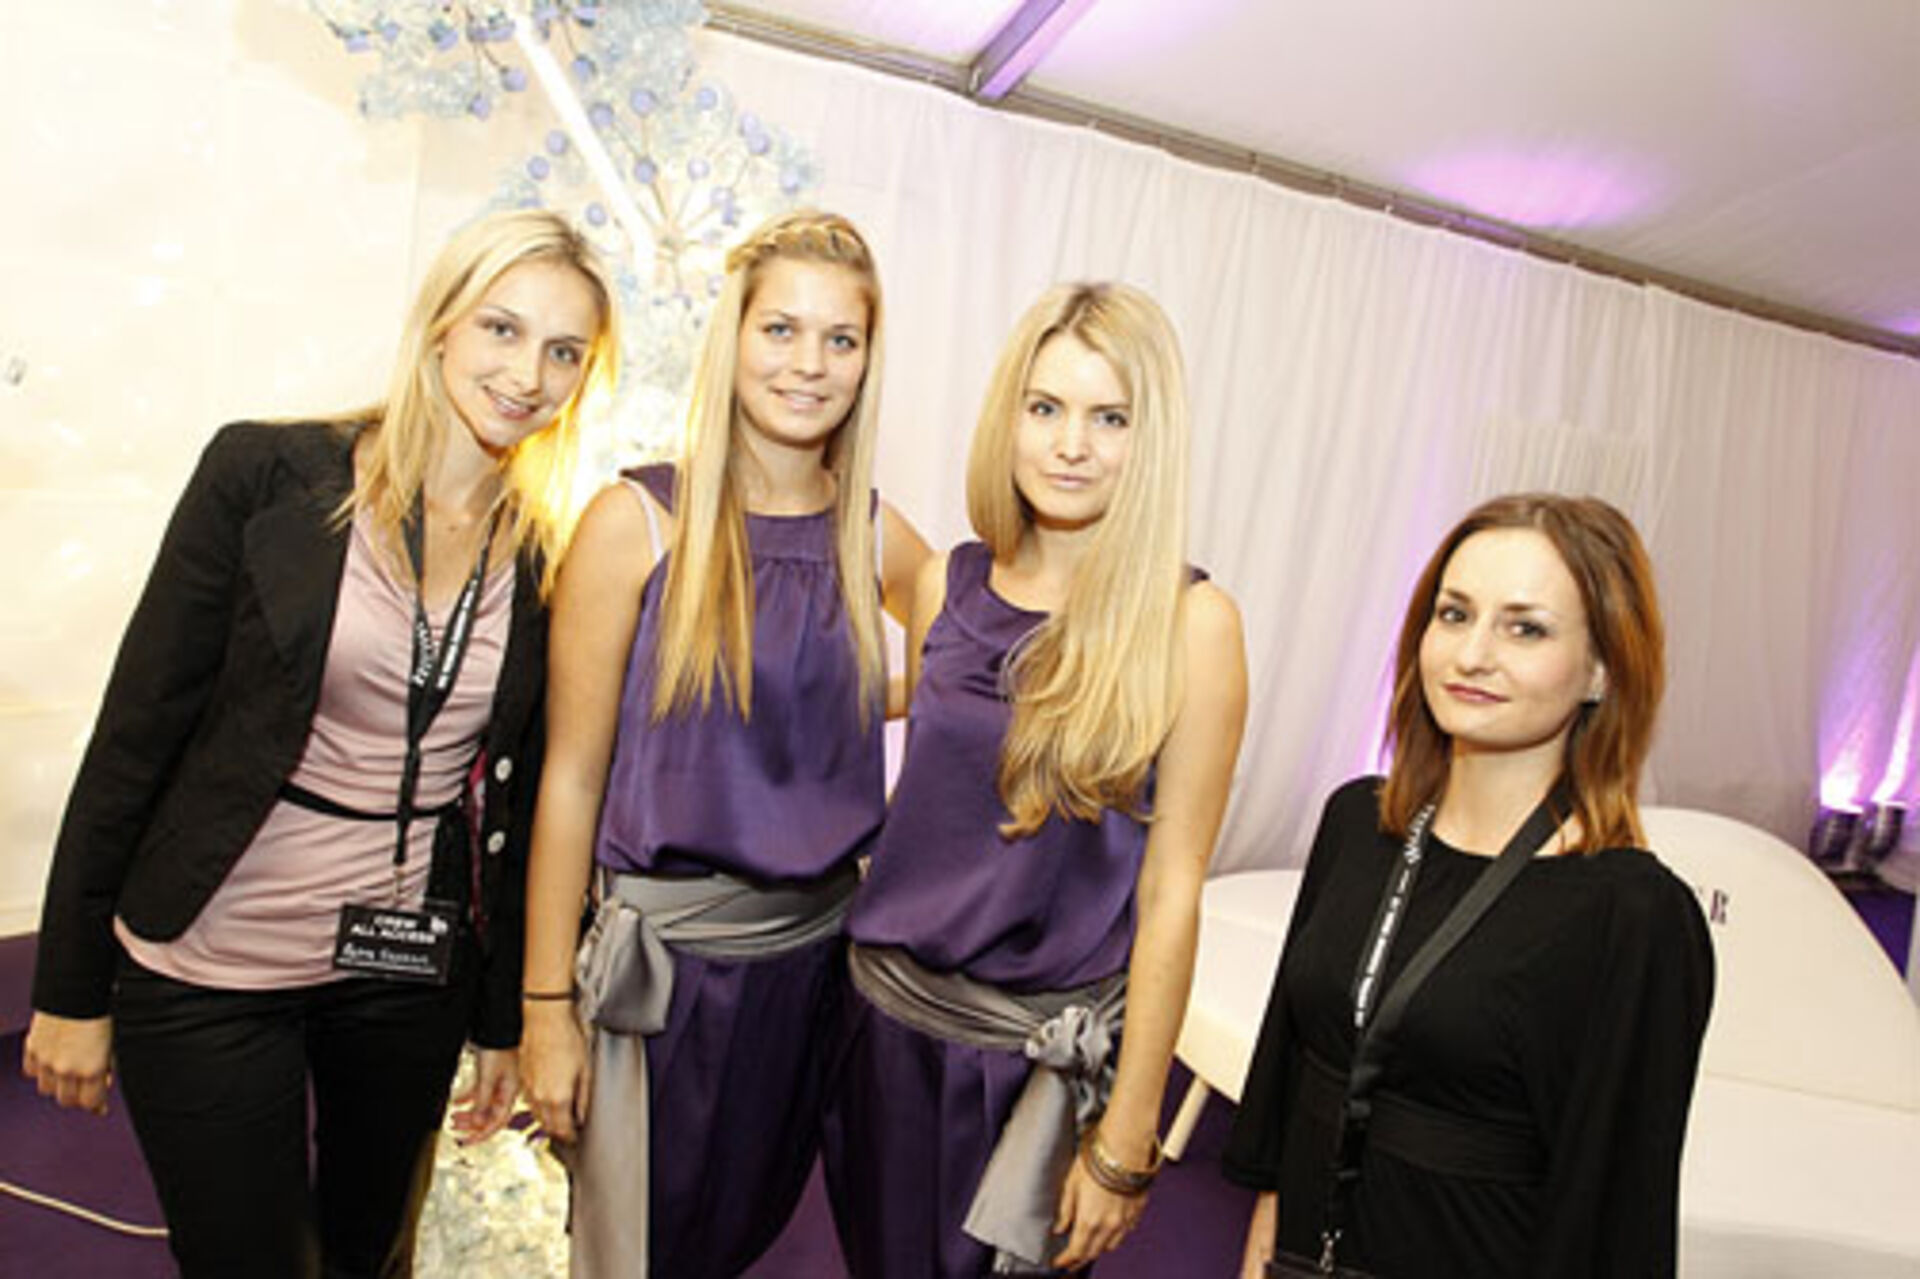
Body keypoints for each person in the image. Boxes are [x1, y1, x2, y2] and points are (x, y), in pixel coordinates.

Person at [21, 208, 618, 1277]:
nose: (528, 374)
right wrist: (68, 987)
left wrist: (500, 1020)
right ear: (442, 322)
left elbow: (518, 809)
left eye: (564, 351)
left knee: (368, 1257)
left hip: (405, 971)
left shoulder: (540, 553)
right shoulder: (266, 475)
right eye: (502, 328)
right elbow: (136, 733)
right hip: (213, 955)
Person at [518, 208, 929, 1278]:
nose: (809, 364)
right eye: (781, 329)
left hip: (817, 970)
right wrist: (544, 1007)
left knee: (744, 1234)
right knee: (639, 1249)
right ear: (734, 337)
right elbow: (570, 780)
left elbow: (973, 672)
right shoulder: (636, 523)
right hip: (667, 985)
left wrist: (856, 699)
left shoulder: (871, 531)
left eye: (841, 339)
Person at [825, 282, 1248, 1276]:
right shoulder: (946, 583)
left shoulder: (1194, 626)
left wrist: (1131, 1127)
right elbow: (933, 806)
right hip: (880, 1029)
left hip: (1032, 1062)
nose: (1070, 445)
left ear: (1152, 439)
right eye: (1046, 407)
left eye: (1110, 418)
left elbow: (1172, 890)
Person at [1224, 494, 1715, 1278]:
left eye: (1526, 628)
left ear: (1601, 669)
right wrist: (1270, 1217)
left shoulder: (1633, 913)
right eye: (1454, 614)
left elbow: (1617, 1207)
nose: (1473, 654)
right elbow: (1299, 1053)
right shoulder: (1358, 824)